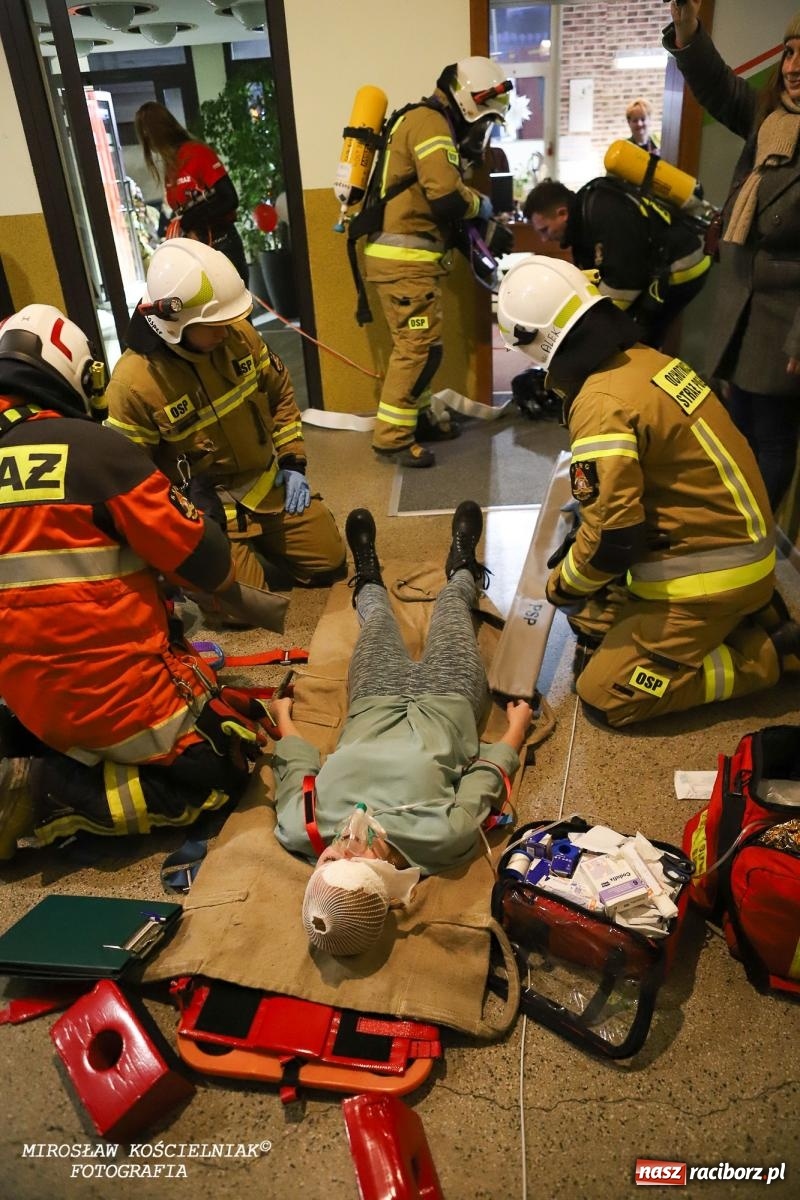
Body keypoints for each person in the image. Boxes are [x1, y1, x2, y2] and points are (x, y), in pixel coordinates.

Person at [0, 304, 284, 859]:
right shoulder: (98, 454)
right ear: (82, 377)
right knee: (221, 766)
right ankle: (47, 795)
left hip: (25, 702)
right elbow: (212, 569)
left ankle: (31, 761)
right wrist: (197, 508)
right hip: (111, 708)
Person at [497, 255, 800, 729]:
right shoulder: (646, 362)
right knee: (594, 616)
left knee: (605, 693)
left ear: (534, 341)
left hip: (708, 578)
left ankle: (767, 656)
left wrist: (561, 586)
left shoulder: (600, 401)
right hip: (736, 552)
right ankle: (750, 614)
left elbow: (615, 536)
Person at [267, 501, 533, 956]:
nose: (345, 843)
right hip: (448, 701)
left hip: (374, 697)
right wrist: (516, 728)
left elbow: (297, 765)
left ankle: (366, 572)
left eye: (332, 857)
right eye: (357, 858)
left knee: (376, 620)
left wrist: (284, 716)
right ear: (385, 883)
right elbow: (485, 779)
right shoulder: (442, 839)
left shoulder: (302, 828)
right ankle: (463, 564)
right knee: (452, 610)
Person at [105, 238, 345, 603]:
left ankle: (258, 547)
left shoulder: (238, 336)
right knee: (244, 607)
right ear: (176, 323)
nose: (228, 329)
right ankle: (223, 561)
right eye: (215, 323)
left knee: (330, 562)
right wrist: (177, 527)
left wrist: (293, 461)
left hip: (265, 487)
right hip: (208, 510)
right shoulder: (134, 383)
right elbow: (129, 477)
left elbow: (280, 393)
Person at [663, 2, 800, 513]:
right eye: (788, 52)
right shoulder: (771, 122)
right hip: (741, 307)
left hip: (784, 321)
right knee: (735, 422)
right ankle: (730, 526)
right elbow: (719, 86)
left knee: (772, 437)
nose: (792, 66)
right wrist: (688, 30)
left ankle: (754, 539)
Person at [363, 57, 514, 468]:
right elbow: (446, 196)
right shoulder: (430, 124)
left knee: (425, 346)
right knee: (416, 349)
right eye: (483, 120)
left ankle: (421, 418)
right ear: (469, 103)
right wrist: (482, 206)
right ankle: (392, 437)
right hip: (404, 262)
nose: (480, 131)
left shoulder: (427, 122)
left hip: (408, 262)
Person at [523, 177, 711, 350]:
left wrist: (587, 323)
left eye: (545, 230)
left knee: (640, 337)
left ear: (562, 213)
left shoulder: (605, 212)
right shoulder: (583, 216)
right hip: (652, 265)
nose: (544, 240)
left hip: (684, 266)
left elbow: (625, 282)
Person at [134, 100, 248, 285]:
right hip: (197, 250)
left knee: (236, 311)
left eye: (148, 138)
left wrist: (193, 218)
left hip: (222, 243)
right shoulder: (171, 164)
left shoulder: (197, 153)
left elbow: (229, 199)